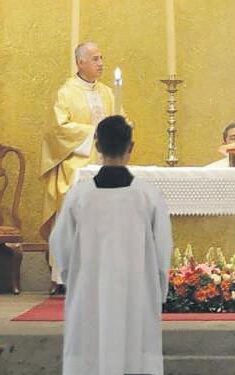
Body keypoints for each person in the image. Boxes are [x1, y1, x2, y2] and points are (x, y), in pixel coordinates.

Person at [50, 115, 172, 375]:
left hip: (89, 292)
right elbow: (163, 249)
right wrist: (158, 289)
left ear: (97, 145)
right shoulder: (148, 195)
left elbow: (60, 245)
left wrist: (76, 279)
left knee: (90, 353)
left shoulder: (79, 195)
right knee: (135, 355)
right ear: (131, 147)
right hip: (137, 292)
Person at [41, 42, 120, 294]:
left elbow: (121, 119)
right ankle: (64, 277)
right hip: (77, 162)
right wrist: (95, 132)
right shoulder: (66, 92)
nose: (101, 63)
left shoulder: (108, 92)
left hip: (106, 161)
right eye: (95, 59)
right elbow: (58, 128)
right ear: (80, 63)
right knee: (72, 211)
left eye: (101, 58)